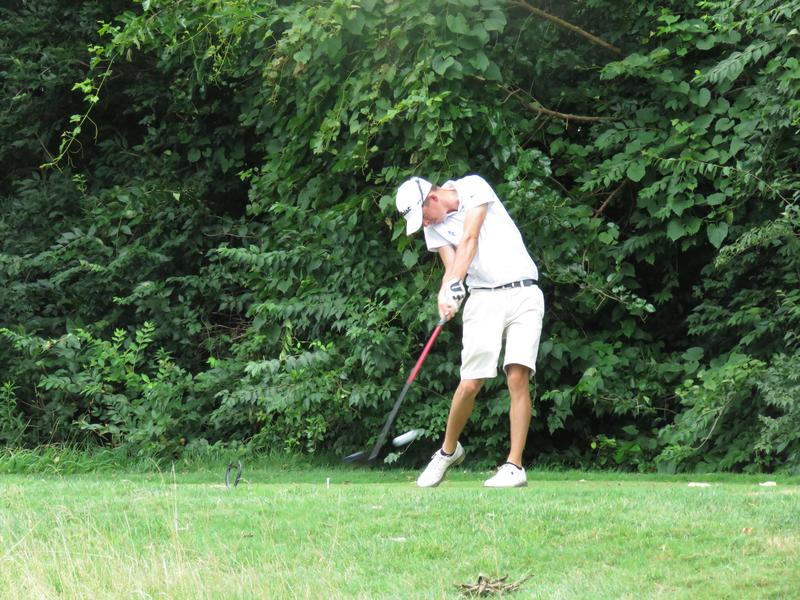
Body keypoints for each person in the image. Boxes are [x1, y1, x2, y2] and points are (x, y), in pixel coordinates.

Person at [395, 174, 544, 488]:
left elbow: (470, 238)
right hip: (483, 298)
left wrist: (454, 283)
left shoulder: (473, 187)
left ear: (432, 198)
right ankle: (448, 452)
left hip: (524, 291)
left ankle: (514, 466)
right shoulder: (433, 228)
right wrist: (446, 294)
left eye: (422, 215)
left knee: (517, 376)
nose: (424, 224)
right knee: (470, 383)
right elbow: (451, 265)